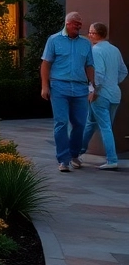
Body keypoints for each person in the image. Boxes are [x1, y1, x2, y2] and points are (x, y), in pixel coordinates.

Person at [41, 11, 96, 172]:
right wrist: (45, 86)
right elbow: (46, 64)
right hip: (59, 86)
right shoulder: (54, 40)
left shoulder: (85, 43)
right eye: (76, 24)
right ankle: (63, 159)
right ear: (67, 23)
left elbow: (89, 65)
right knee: (61, 122)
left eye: (80, 24)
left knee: (80, 123)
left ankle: (74, 154)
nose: (79, 27)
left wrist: (93, 85)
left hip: (80, 88)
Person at [84, 21, 125, 170]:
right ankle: (77, 151)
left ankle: (112, 159)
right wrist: (113, 82)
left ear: (97, 34)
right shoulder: (114, 50)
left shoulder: (95, 50)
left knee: (104, 127)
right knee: (91, 123)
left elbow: (98, 73)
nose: (89, 35)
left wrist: (93, 90)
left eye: (91, 32)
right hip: (114, 94)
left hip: (100, 94)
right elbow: (123, 71)